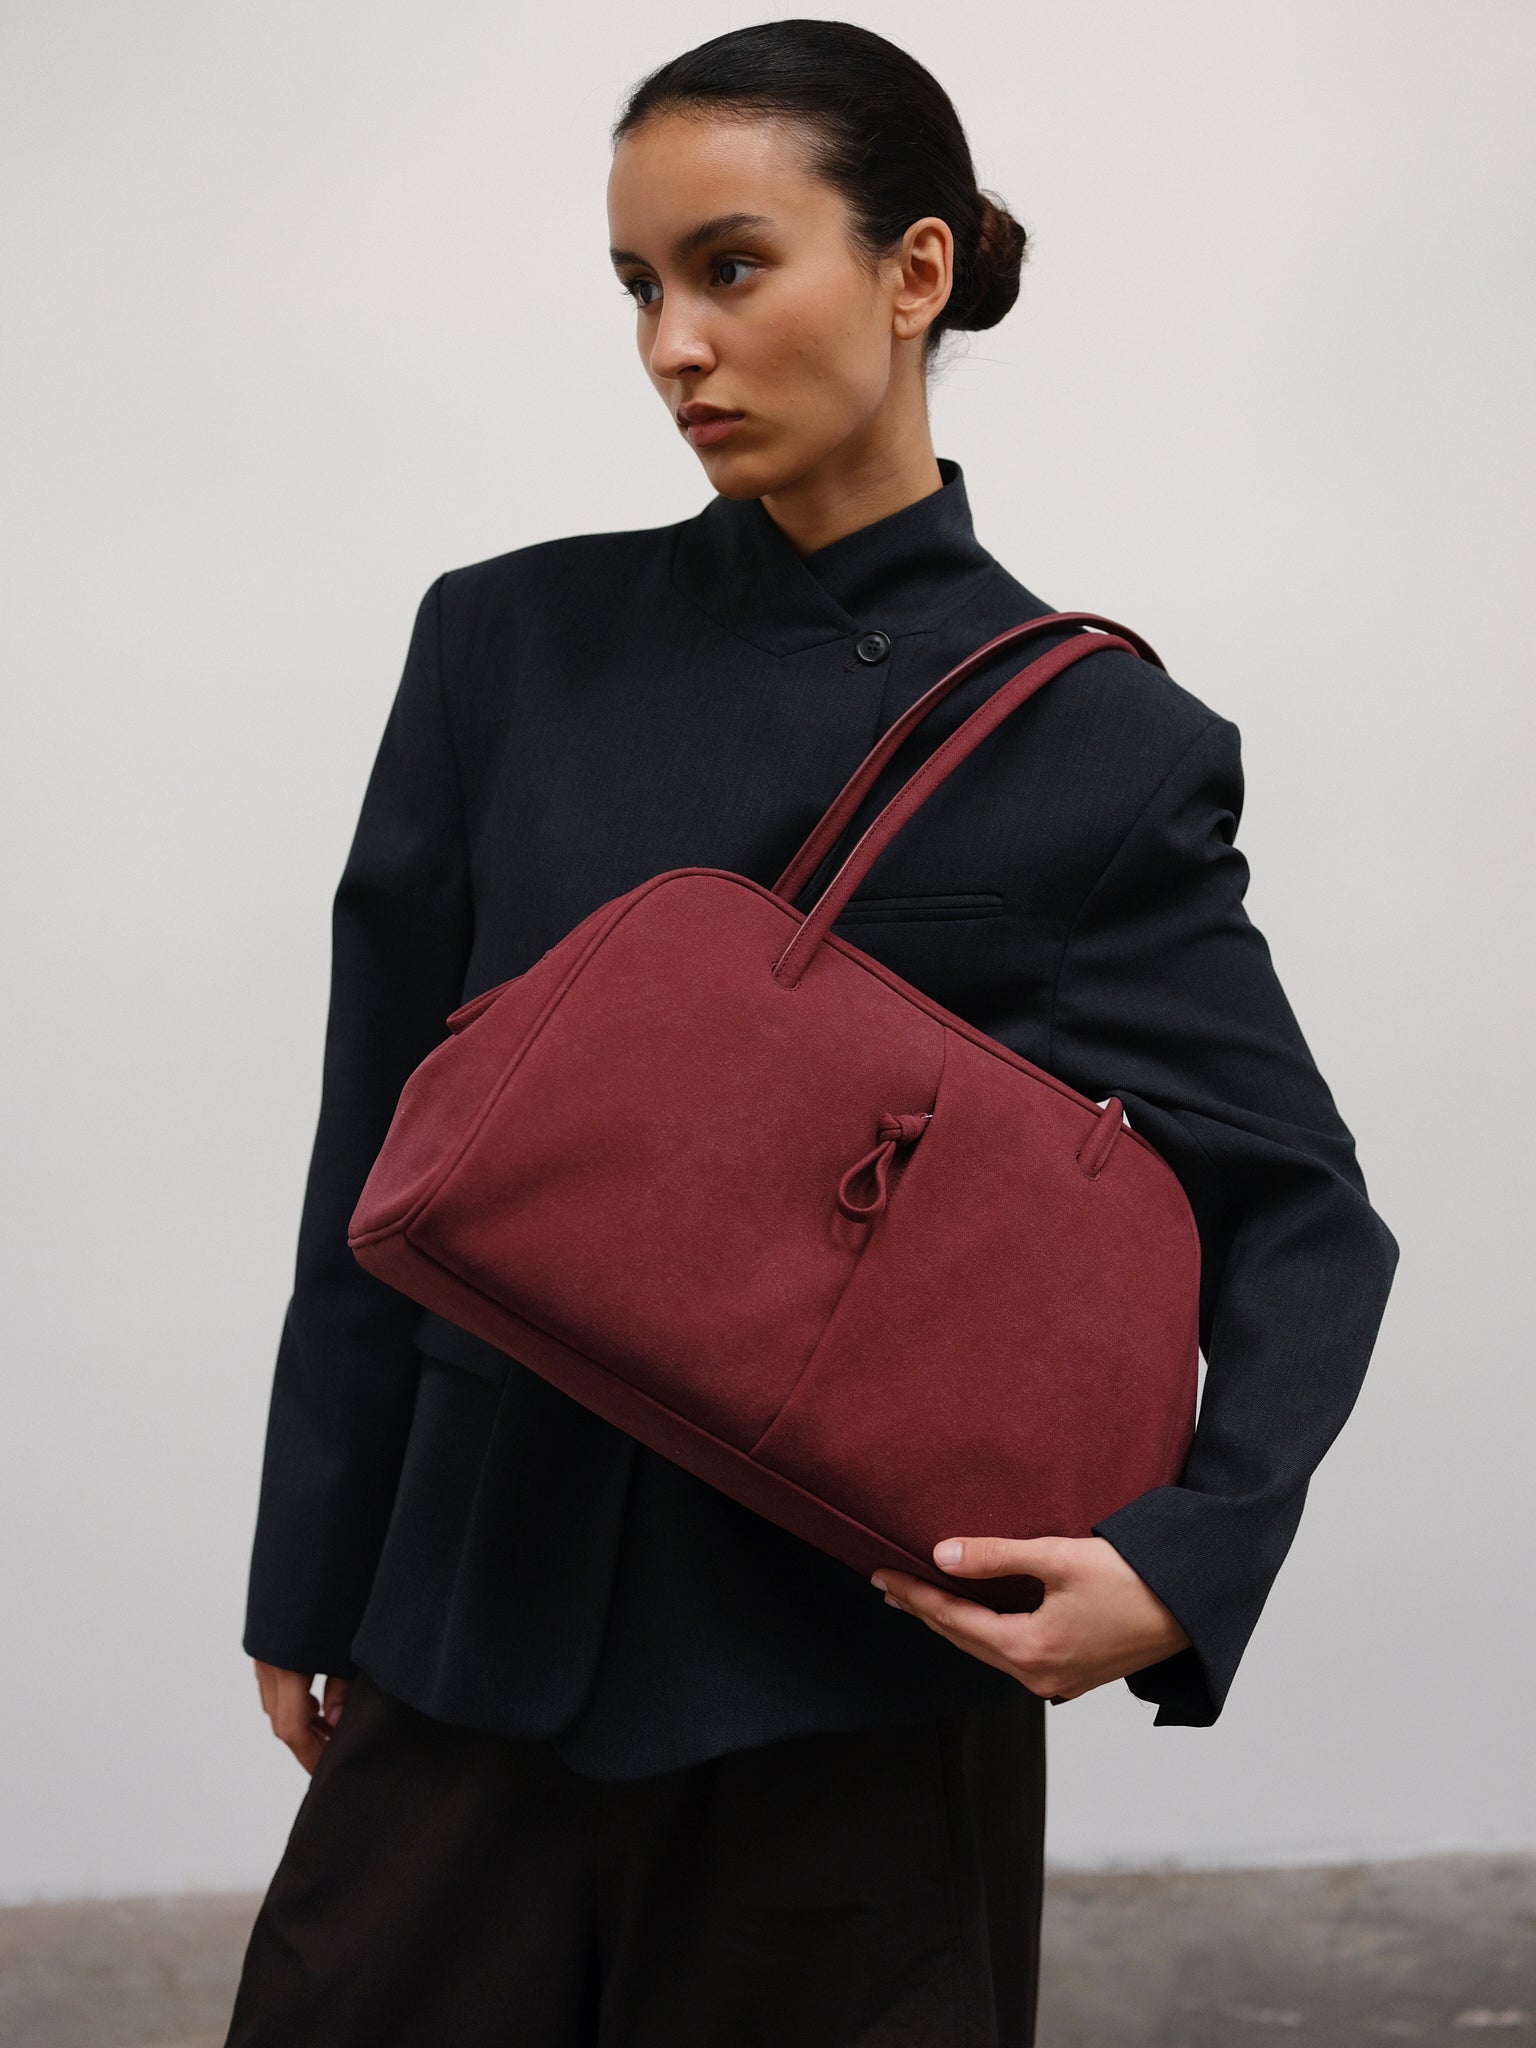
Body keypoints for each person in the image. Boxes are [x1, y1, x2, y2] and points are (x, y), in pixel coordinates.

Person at [223, 20, 1400, 2047]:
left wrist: (1184, 1558)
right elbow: (375, 1135)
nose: (673, 344)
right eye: (638, 287)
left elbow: (1301, 1208)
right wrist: (312, 1569)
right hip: (473, 1637)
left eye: (732, 266)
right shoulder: (504, 645)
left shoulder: (1093, 739)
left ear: (913, 271)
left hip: (849, 1703)